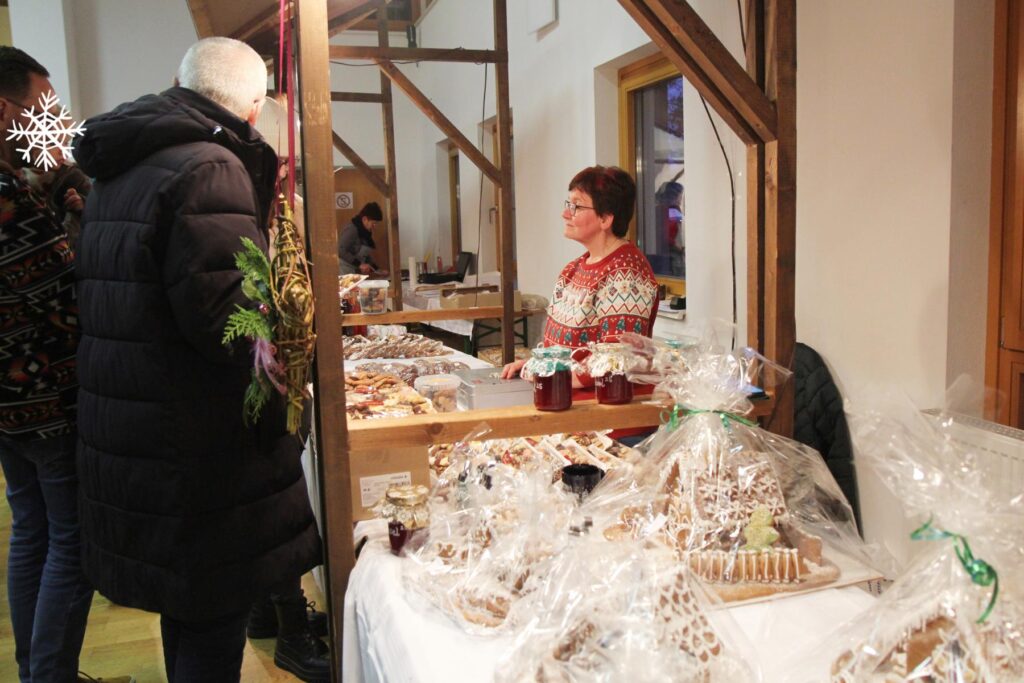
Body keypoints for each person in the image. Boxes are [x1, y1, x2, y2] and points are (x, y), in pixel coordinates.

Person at [73, 37, 323, 682]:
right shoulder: (211, 167)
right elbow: (228, 323)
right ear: (256, 106)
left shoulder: (121, 166)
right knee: (212, 626)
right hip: (195, 444)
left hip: (136, 424)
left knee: (187, 611)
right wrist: (284, 326)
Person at [0, 45, 97, 683]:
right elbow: (67, 297)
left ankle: (36, 668)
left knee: (33, 530)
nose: (52, 121)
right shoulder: (8, 193)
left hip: (12, 402)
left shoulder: (17, 186)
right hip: (44, 398)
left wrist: (60, 185)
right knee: (71, 541)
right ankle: (48, 674)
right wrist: (66, 180)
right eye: (41, 107)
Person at [502, 166, 659, 385]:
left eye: (576, 206)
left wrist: (549, 376)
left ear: (605, 219)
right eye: (568, 204)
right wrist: (536, 364)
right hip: (561, 395)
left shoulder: (625, 274)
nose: (565, 213)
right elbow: (561, 351)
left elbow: (617, 360)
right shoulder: (572, 270)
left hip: (596, 405)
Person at [338, 201, 383, 275]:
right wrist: (360, 264)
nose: (374, 226)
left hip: (353, 268)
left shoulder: (366, 232)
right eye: (373, 223)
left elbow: (365, 255)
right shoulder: (351, 229)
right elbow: (340, 250)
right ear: (365, 219)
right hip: (345, 268)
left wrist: (377, 269)